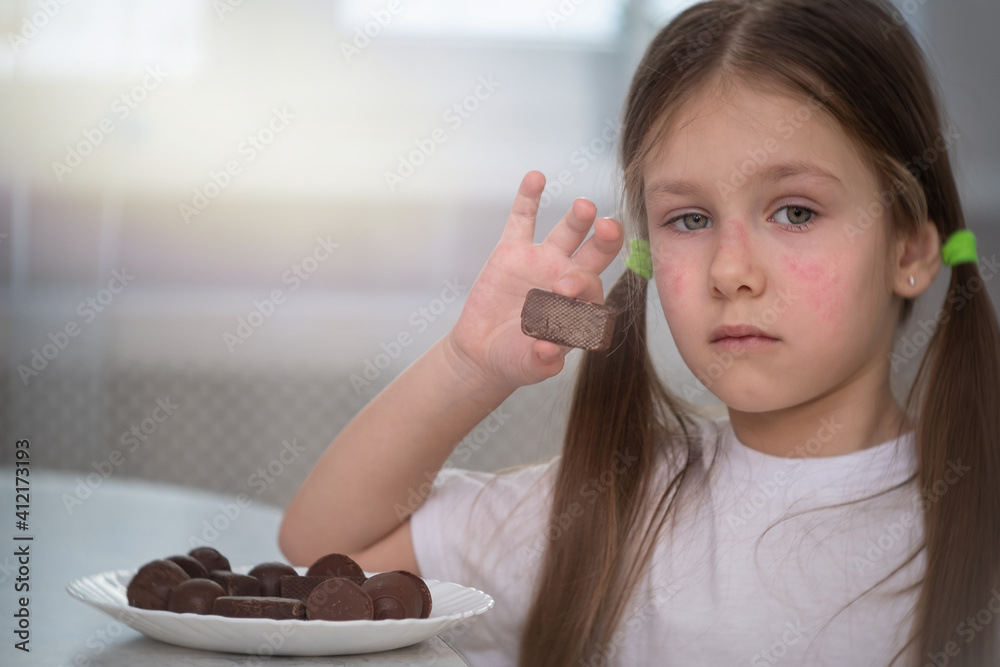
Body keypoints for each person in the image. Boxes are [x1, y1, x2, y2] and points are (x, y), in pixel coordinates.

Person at [280, 0, 1000, 664]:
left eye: (796, 212)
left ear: (909, 249)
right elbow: (325, 555)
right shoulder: (608, 510)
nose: (731, 270)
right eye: (690, 219)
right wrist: (469, 364)